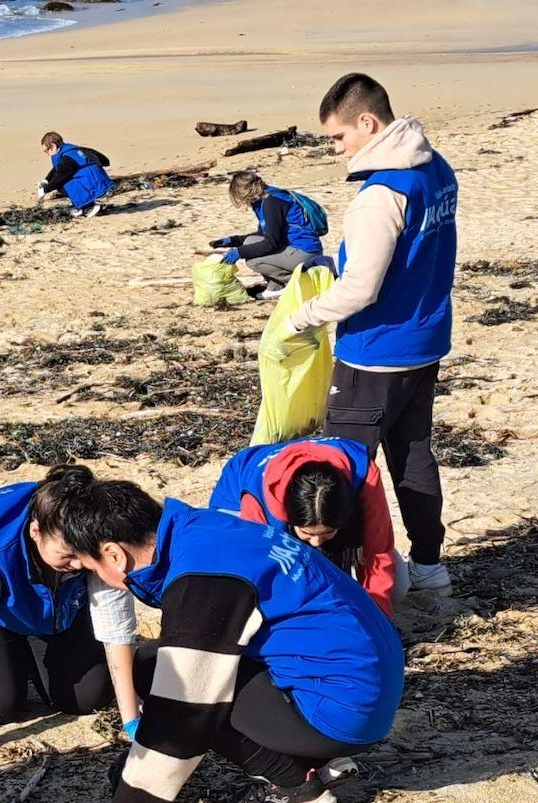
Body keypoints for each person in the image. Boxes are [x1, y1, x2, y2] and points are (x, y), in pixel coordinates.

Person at [31, 467, 404, 803]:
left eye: (89, 564)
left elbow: (185, 706)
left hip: (342, 710)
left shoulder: (202, 581)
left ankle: (292, 786)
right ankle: (314, 758)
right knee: (183, 661)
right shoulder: (205, 530)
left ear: (113, 554)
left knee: (156, 668)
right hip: (368, 685)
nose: (85, 571)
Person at [279, 73, 459, 592]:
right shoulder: (436, 167)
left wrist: (300, 317)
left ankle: (338, 585)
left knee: (340, 474)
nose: (337, 149)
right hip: (424, 343)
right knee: (413, 457)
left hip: (373, 353)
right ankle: (430, 567)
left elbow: (361, 289)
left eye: (339, 137)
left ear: (367, 122)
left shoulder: (379, 196)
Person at [0, 473, 142, 770]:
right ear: (36, 531)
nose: (77, 565)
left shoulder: (94, 535)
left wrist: (132, 721)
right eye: (67, 556)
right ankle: (8, 648)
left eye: (83, 556)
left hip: (55, 606)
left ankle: (25, 645)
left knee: (87, 695)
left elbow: (116, 629)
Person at [208, 435, 407, 617]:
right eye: (306, 533)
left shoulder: (364, 475)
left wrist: (377, 619)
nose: (316, 542)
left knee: (398, 587)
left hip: (312, 478)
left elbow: (378, 551)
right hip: (237, 490)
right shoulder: (257, 500)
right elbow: (258, 566)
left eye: (328, 532)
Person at [211, 171, 325, 297]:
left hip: (304, 252)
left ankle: (296, 281)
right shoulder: (266, 198)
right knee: (250, 242)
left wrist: (240, 252)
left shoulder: (272, 203)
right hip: (296, 248)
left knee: (253, 261)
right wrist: (233, 240)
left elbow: (271, 243)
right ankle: (275, 287)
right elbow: (263, 233)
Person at [36, 132, 113, 218]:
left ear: (53, 146)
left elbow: (58, 179)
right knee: (65, 179)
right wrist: (46, 180)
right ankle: (82, 205)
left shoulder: (67, 159)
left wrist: (44, 190)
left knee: (63, 184)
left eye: (46, 150)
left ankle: (89, 206)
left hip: (96, 184)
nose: (47, 154)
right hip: (100, 180)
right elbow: (57, 169)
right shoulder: (72, 149)